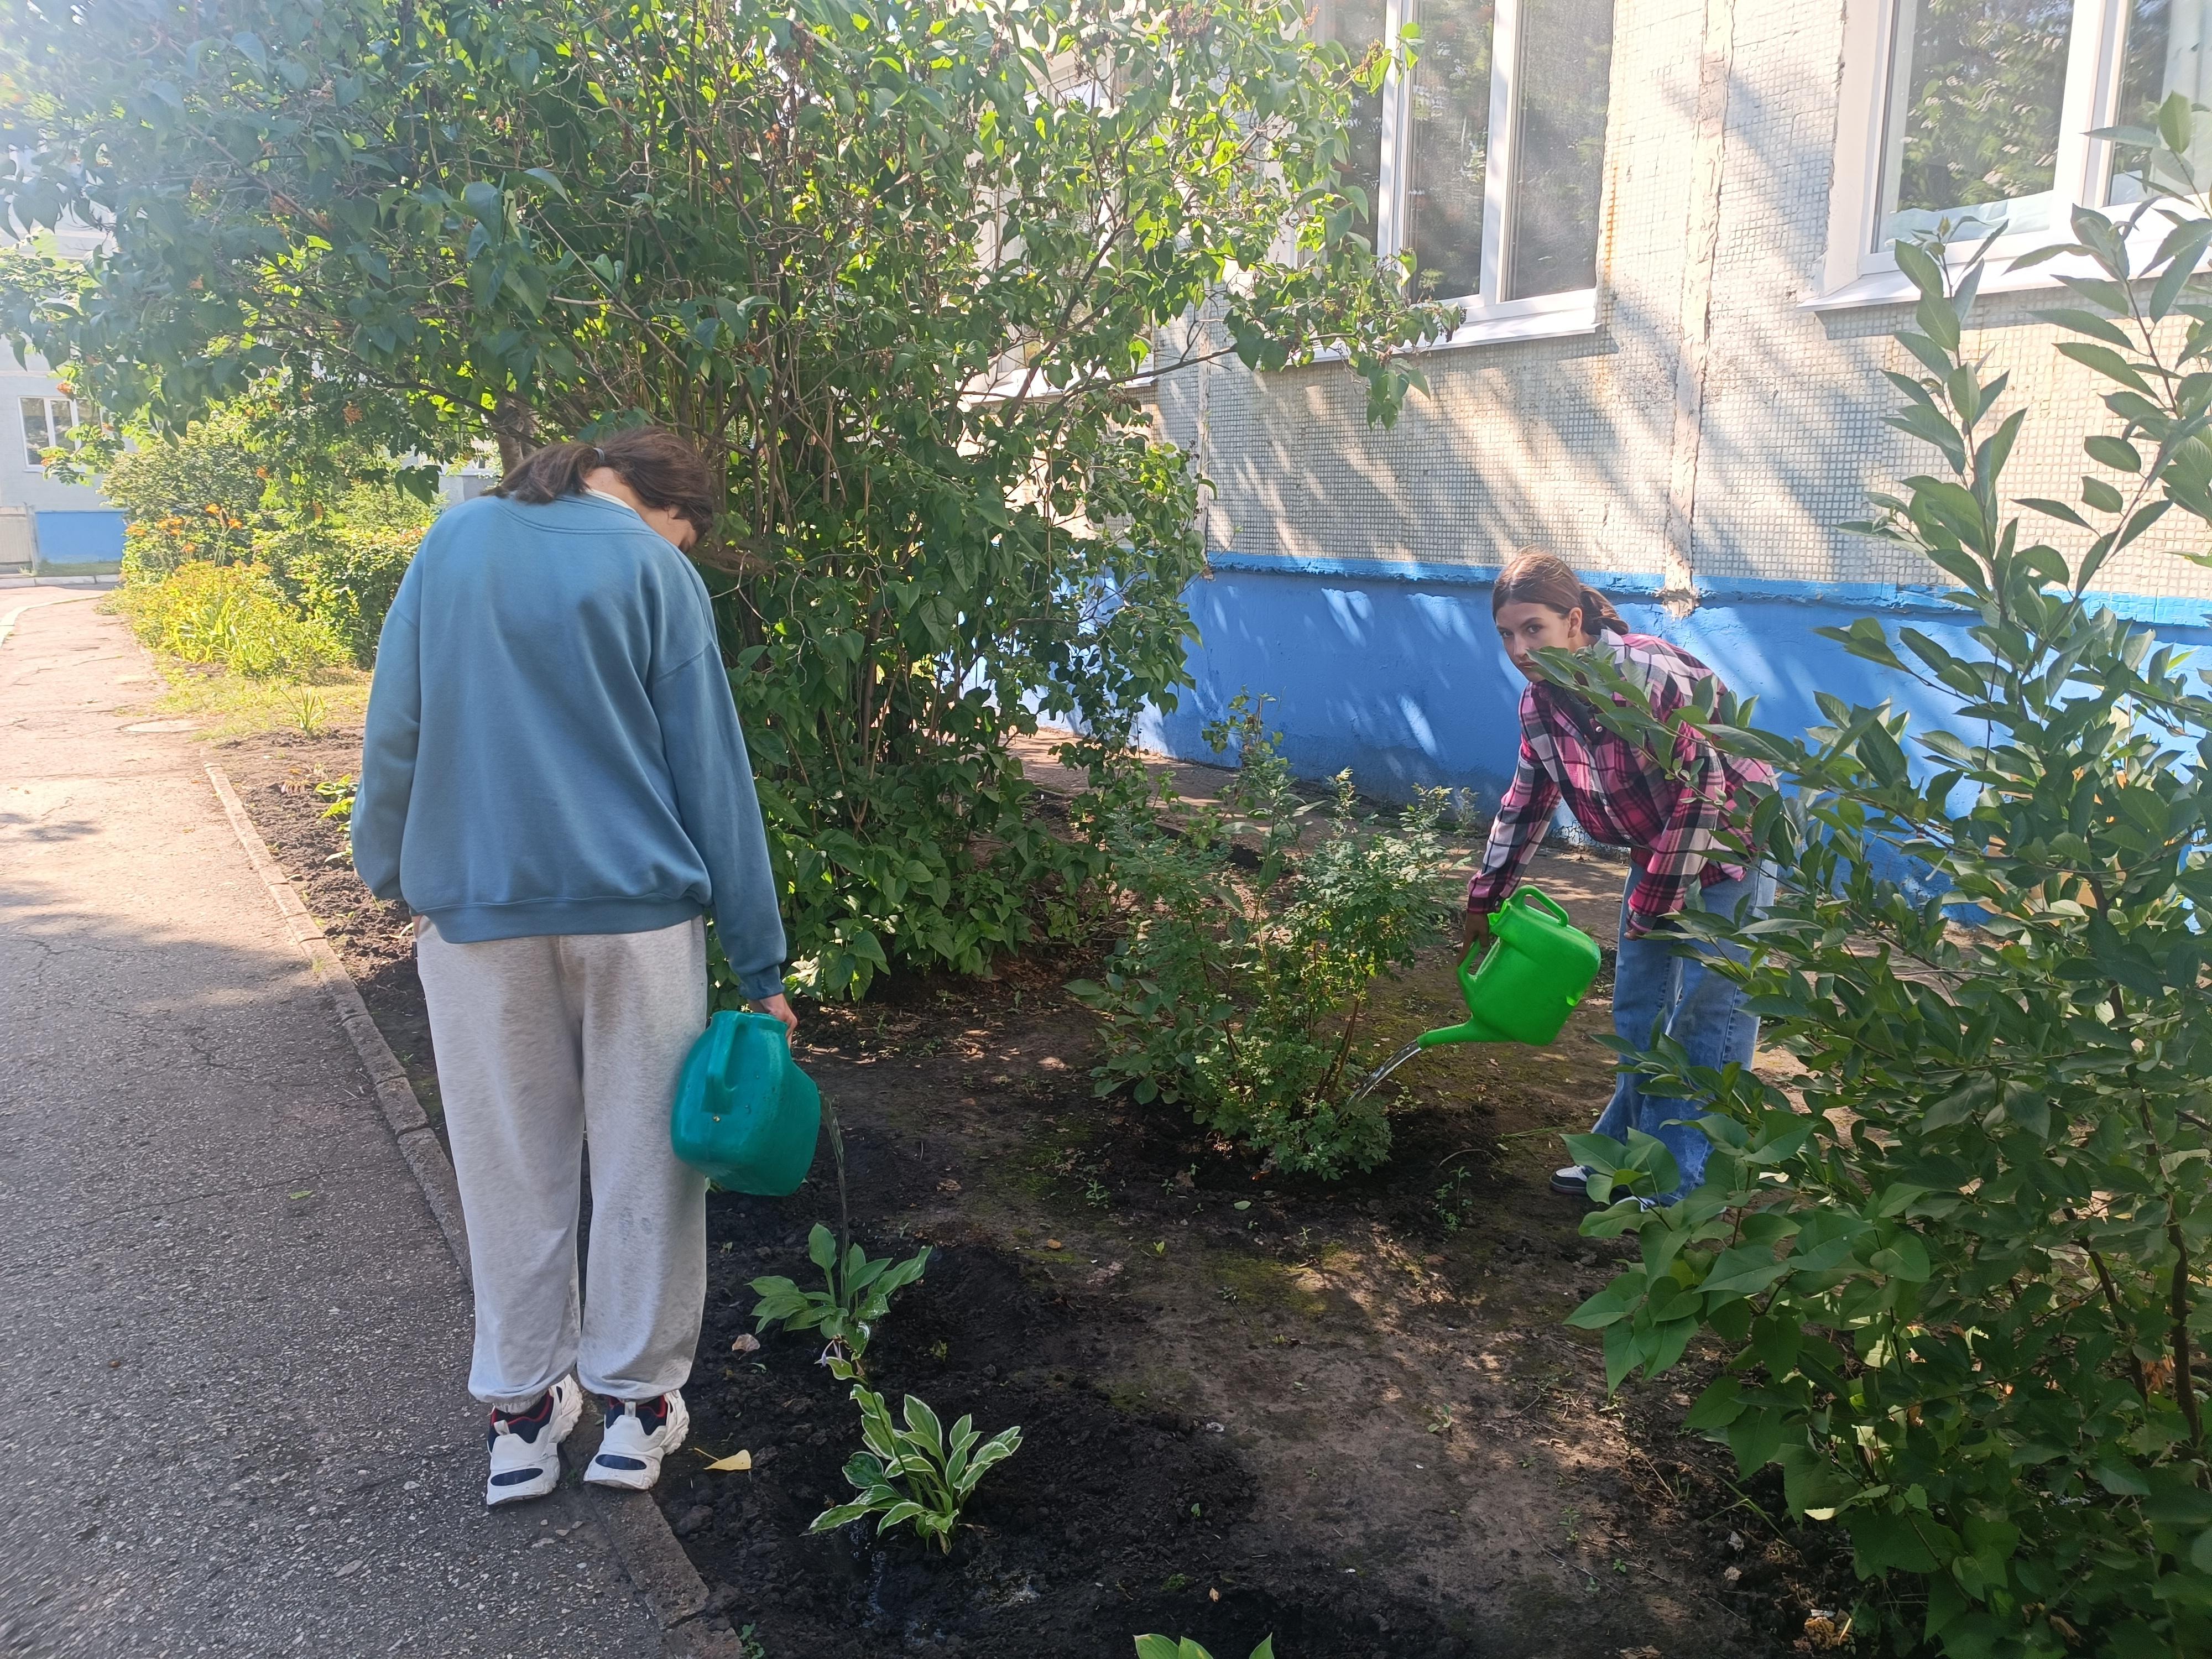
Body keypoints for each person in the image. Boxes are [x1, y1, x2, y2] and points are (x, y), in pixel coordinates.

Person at [353, 426, 795, 1507]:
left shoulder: (451, 545)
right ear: (658, 505)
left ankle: (518, 1417)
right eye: (685, 534)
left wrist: (387, 864)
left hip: (479, 918)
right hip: (636, 923)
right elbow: (712, 778)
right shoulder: (653, 571)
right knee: (649, 1167)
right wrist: (761, 962)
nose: (678, 549)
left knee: (510, 1167)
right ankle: (636, 1415)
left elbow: (396, 726)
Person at [1464, 549, 1773, 1206]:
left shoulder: (1648, 674)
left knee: (1705, 1020)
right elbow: (1528, 800)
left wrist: (1652, 906)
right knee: (1636, 1013)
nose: (1519, 648)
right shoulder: (1541, 703)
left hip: (1730, 850)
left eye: (1533, 629)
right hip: (1655, 852)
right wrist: (1484, 897)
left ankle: (1682, 1186)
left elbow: (1705, 789)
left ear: (1573, 621)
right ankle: (1622, 1159)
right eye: (1506, 635)